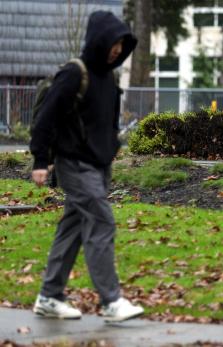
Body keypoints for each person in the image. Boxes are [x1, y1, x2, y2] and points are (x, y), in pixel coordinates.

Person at [29, 11, 143, 323]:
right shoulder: (74, 73)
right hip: (74, 164)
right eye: (114, 42)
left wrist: (112, 148)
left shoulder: (110, 77)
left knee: (73, 229)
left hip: (98, 166)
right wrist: (41, 160)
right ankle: (111, 301)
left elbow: (106, 121)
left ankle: (49, 296)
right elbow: (45, 118)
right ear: (99, 40)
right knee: (102, 223)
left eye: (122, 44)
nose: (118, 49)